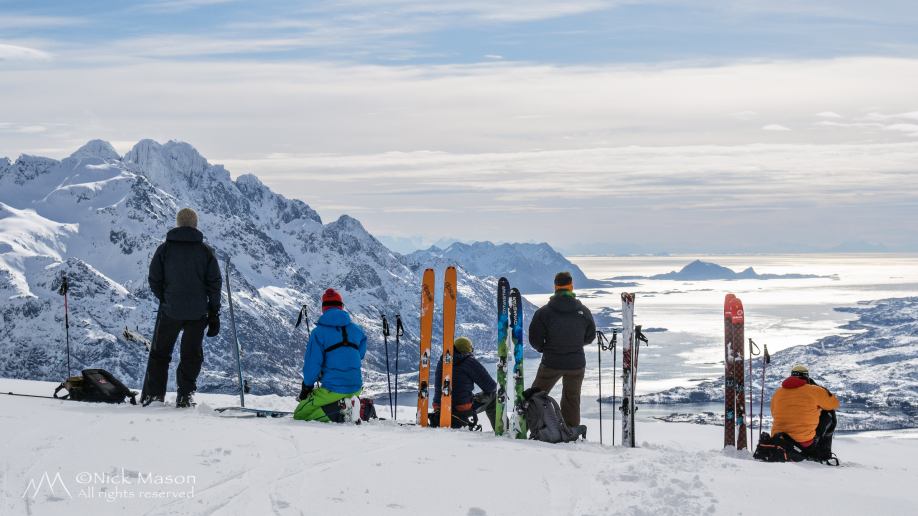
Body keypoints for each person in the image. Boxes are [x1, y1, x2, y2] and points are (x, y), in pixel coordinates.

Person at [142, 207, 222, 408]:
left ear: (178, 224)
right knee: (191, 355)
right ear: (195, 225)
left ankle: (155, 396)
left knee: (160, 354)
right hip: (197, 313)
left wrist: (166, 298)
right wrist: (214, 312)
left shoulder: (165, 249)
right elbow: (214, 283)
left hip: (170, 311)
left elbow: (154, 279)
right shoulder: (205, 251)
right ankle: (185, 396)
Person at [528, 271, 596, 428]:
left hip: (551, 362)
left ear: (555, 287)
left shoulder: (544, 312)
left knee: (536, 395)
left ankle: (531, 426)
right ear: (571, 286)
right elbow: (590, 336)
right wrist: (575, 345)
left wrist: (545, 349)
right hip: (576, 363)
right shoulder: (583, 311)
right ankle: (570, 430)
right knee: (572, 398)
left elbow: (534, 339)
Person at [294, 288, 367, 422]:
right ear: (341, 307)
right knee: (329, 401)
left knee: (300, 413)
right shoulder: (357, 330)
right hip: (356, 387)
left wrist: (307, 387)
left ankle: (342, 411)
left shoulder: (318, 333)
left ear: (323, 309)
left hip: (333, 389)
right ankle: (353, 405)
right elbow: (359, 354)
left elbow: (312, 365)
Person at [770, 364, 840, 461]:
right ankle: (823, 454)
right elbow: (834, 404)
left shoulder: (778, 392)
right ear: (807, 377)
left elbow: (774, 413)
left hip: (779, 438)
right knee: (829, 413)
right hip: (803, 442)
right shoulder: (814, 390)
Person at [432, 336, 498, 429]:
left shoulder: (442, 361)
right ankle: (502, 429)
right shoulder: (469, 361)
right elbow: (490, 386)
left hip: (439, 407)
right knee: (495, 395)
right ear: (469, 349)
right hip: (460, 408)